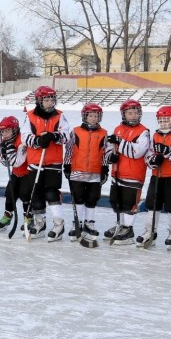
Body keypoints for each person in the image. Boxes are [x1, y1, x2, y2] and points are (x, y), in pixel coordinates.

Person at [20, 86, 73, 240]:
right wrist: (37, 140)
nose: (50, 103)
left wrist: (53, 137)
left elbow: (66, 134)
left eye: (52, 100)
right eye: (46, 100)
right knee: (36, 193)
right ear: (39, 101)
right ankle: (40, 223)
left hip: (53, 162)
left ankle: (58, 224)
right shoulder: (29, 116)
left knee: (51, 192)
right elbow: (24, 136)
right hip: (35, 161)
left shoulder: (59, 116)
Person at [104, 100, 151, 244]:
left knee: (129, 203)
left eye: (136, 113)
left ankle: (128, 229)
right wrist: (110, 157)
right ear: (124, 114)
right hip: (117, 172)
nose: (133, 116)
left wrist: (120, 142)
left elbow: (137, 152)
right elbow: (110, 147)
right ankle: (120, 225)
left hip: (134, 174)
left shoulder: (144, 131)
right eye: (130, 113)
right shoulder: (118, 128)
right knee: (116, 201)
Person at [140, 106, 171, 249]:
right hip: (157, 176)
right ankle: (150, 232)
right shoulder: (155, 136)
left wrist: (167, 152)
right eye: (161, 121)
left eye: (167, 121)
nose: (164, 124)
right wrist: (153, 161)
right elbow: (148, 153)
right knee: (152, 204)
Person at [64, 103, 109, 247]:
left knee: (92, 198)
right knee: (78, 197)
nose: (94, 118)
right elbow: (70, 149)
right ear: (85, 116)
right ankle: (77, 223)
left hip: (95, 172)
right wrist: (67, 165)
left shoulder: (103, 133)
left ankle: (89, 223)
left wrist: (104, 168)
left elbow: (104, 152)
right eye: (91, 115)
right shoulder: (76, 131)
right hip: (77, 170)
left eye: (96, 116)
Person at [0, 115, 29, 230]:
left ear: (14, 129)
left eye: (7, 131)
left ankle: (28, 217)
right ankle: (7, 215)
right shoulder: (6, 141)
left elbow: (18, 162)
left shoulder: (22, 141)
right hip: (15, 173)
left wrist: (9, 150)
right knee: (10, 194)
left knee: (25, 195)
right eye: (2, 131)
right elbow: (5, 163)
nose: (4, 134)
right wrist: (4, 155)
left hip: (27, 173)